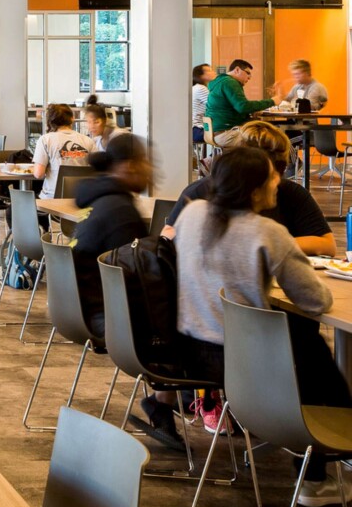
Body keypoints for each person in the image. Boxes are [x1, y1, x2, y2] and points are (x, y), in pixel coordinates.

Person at [170, 147, 349, 507]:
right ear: (254, 189)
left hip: (192, 352)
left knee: (305, 348)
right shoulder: (267, 231)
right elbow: (317, 302)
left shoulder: (191, 214)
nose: (279, 182)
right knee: (313, 355)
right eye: (272, 176)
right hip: (248, 364)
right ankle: (315, 477)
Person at [162, 120, 334, 256]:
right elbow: (167, 239)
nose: (274, 182)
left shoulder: (292, 194)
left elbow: (327, 244)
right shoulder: (201, 193)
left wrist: (267, 244)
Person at [70, 135, 153, 347]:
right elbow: (139, 282)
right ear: (130, 166)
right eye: (146, 161)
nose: (151, 170)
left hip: (77, 308)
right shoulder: (121, 213)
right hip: (105, 316)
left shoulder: (100, 201)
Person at [204, 59, 276, 148]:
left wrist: (250, 112)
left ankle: (211, 160)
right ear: (237, 70)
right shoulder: (229, 82)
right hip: (226, 133)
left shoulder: (220, 82)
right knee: (267, 140)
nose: (249, 77)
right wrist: (273, 101)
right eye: (248, 73)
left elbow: (235, 108)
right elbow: (242, 106)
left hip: (215, 132)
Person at [31, 103, 94, 200]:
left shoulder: (46, 140)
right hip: (81, 199)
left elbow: (38, 174)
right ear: (72, 119)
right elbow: (97, 171)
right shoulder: (88, 141)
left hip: (52, 201)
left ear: (51, 121)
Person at [191, 63, 215, 144]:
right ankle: (211, 157)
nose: (213, 72)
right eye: (209, 71)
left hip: (194, 129)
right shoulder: (201, 88)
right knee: (225, 136)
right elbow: (216, 105)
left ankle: (211, 157)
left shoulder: (196, 87)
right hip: (197, 130)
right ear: (200, 75)